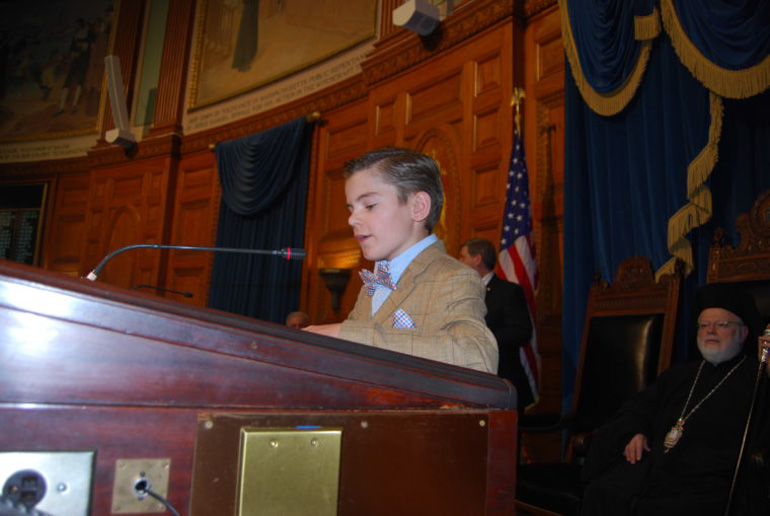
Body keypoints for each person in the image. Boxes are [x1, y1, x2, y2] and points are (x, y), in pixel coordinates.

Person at [580, 283, 770, 516]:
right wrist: (634, 431)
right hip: (659, 465)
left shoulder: (758, 377)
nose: (710, 331)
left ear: (744, 333)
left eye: (722, 325)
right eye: (704, 325)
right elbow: (639, 406)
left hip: (711, 478)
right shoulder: (680, 374)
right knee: (603, 491)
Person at [304, 147, 498, 374]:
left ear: (418, 207)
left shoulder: (453, 276)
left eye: (369, 206)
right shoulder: (372, 284)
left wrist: (347, 336)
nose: (352, 219)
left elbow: (477, 356)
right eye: (351, 209)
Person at [459, 238, 533, 410]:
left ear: (477, 259)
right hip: (468, 384)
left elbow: (521, 332)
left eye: (462, 257)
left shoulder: (508, 291)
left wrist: (482, 337)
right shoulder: (463, 291)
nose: (459, 261)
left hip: (501, 382)